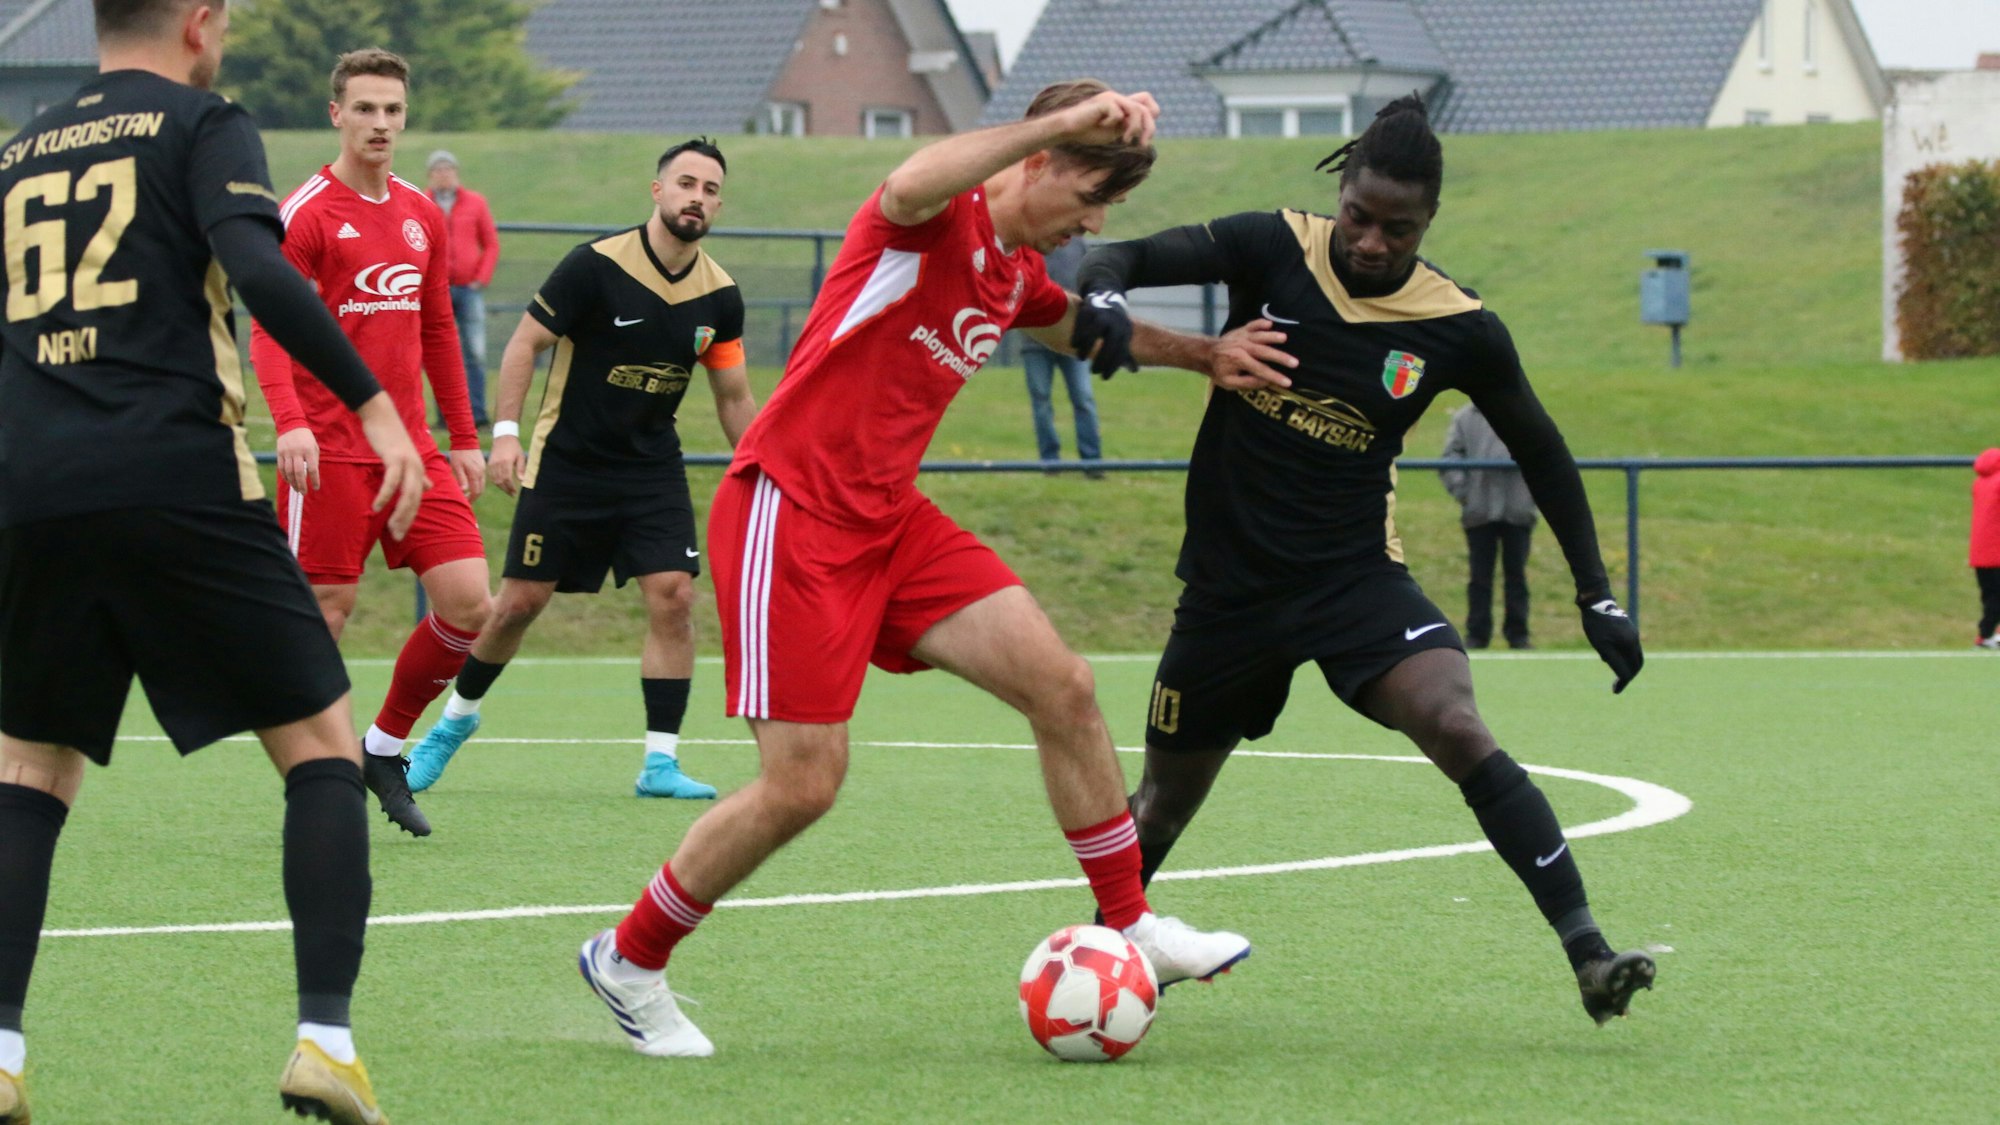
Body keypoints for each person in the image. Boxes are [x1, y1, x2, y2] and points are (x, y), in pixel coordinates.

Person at [575, 79, 1294, 1058]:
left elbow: (1082, 330)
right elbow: (910, 177)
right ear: (1037, 160)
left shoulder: (1010, 272)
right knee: (803, 784)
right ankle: (628, 959)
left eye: (1106, 213)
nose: (1091, 226)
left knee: (1065, 688)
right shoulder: (924, 222)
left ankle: (1129, 926)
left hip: (888, 519)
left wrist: (1203, 354)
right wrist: (1056, 123)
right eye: (1088, 198)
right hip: (792, 509)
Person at [1073, 93, 1656, 1027]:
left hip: (1353, 582)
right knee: (1161, 810)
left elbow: (1542, 450)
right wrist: (1101, 293)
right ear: (1339, 193)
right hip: (1227, 597)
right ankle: (1088, 966)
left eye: (1400, 227)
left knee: (1457, 724)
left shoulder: (1458, 326)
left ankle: (1589, 953)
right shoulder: (1272, 247)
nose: (1374, 241)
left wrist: (1597, 593)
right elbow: (1128, 256)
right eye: (1361, 216)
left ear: (1430, 222)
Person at [0, 2, 428, 1120]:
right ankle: (324, 1042)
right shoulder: (202, 121)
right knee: (324, 747)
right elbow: (259, 267)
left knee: (28, 772)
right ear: (200, 21)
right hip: (173, 474)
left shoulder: (18, 149)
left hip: (32, 490)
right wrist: (375, 405)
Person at [407, 138, 757, 799]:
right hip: (567, 463)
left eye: (710, 190)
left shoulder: (721, 296)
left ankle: (660, 762)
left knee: (675, 597)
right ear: (658, 191)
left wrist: (763, 468)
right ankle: (453, 723)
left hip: (651, 469)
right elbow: (523, 344)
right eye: (686, 183)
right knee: (517, 605)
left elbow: (734, 397)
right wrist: (504, 437)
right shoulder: (594, 265)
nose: (697, 198)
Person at [250, 47, 492, 839]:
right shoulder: (308, 213)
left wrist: (463, 434)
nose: (380, 123)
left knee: (469, 607)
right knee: (326, 614)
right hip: (327, 448)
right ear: (337, 115)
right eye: (365, 108)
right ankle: (314, 792)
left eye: (392, 109)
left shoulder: (424, 213)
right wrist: (288, 420)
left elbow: (438, 328)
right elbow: (269, 327)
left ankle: (381, 749)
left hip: (413, 452)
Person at [1440, 401, 1537, 649]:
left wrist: (1530, 494)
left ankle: (1518, 634)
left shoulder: (1525, 412)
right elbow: (1450, 457)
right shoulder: (1465, 418)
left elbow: (1542, 453)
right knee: (1479, 576)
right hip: (1479, 509)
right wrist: (1464, 492)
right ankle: (1477, 634)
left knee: (1516, 574)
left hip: (1516, 507)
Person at [426, 148, 498, 427]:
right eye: (438, 170)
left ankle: (477, 414)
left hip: (469, 288)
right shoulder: (422, 202)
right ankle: (444, 416)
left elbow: (490, 243)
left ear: (456, 173)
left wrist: (481, 277)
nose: (444, 175)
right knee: (439, 352)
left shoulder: (475, 203)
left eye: (448, 169)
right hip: (437, 290)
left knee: (475, 353)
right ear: (430, 176)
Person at [1020, 236, 1102, 474]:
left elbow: (1090, 284)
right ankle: (1050, 463)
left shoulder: (1078, 245)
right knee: (1041, 402)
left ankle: (1093, 463)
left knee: (1083, 399)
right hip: (1034, 342)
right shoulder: (1030, 240)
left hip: (1073, 340)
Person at [1973, 447, 2000, 649]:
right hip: (1997, 551)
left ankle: (1988, 635)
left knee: (1990, 595)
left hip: (1980, 552)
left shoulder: (1980, 482)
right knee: (1996, 598)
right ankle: (1985, 635)